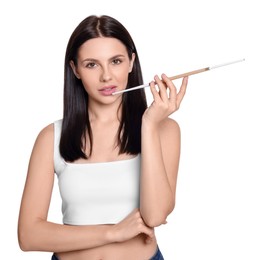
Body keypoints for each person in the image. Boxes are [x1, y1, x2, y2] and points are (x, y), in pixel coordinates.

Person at [18, 15, 188, 260]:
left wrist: (149, 124)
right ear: (75, 69)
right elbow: (28, 235)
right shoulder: (51, 137)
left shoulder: (164, 130)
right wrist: (112, 233)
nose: (107, 76)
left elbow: (155, 215)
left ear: (131, 62)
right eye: (91, 64)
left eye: (116, 61)